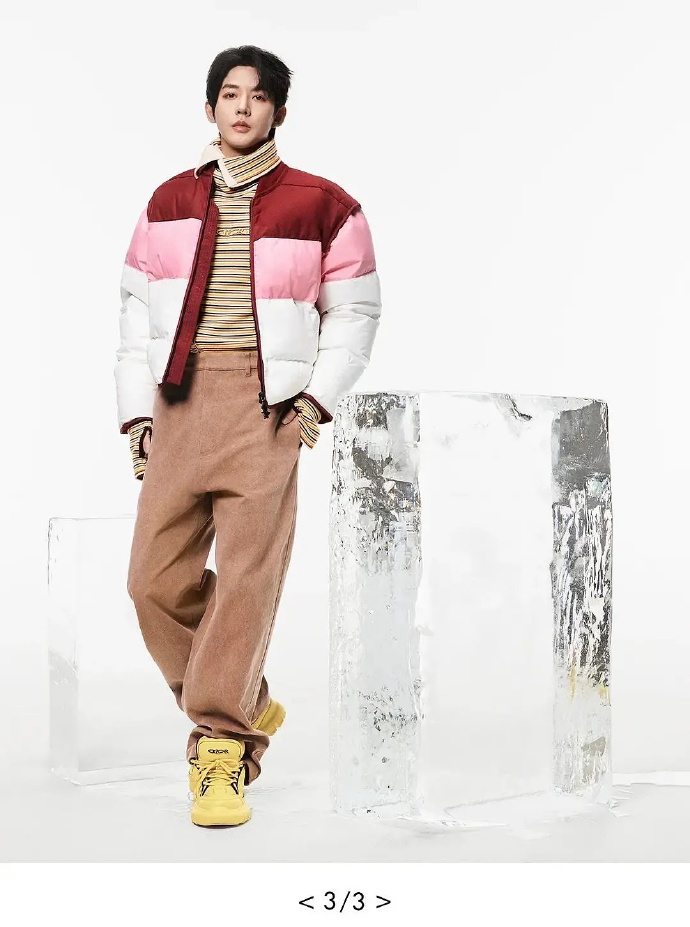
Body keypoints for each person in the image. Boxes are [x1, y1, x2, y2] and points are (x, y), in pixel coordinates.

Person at [114, 44, 382, 827]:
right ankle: (245, 696)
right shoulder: (168, 199)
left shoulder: (324, 204)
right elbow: (134, 316)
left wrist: (316, 401)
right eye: (229, 94)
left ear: (278, 112)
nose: (242, 106)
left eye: (258, 96)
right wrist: (137, 413)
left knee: (245, 582)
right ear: (210, 108)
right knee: (150, 581)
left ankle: (223, 746)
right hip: (179, 400)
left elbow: (355, 313)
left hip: (267, 408)